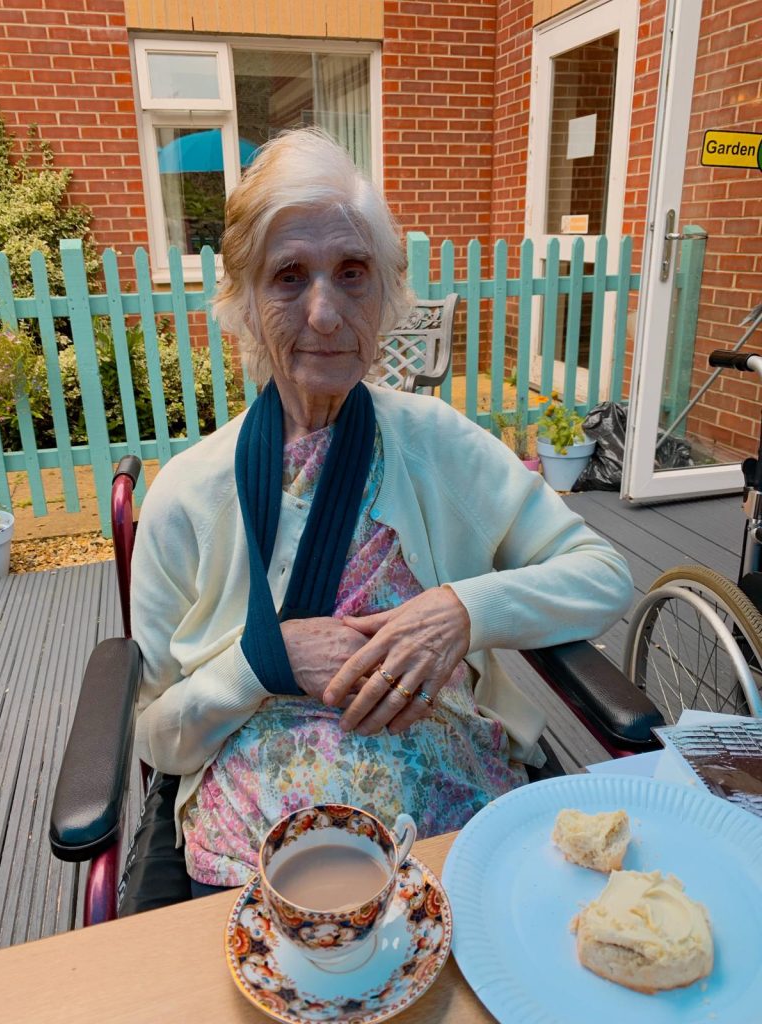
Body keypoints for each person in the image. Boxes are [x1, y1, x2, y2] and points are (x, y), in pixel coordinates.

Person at [130, 128, 634, 896]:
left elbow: (603, 577)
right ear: (243, 304)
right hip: (257, 852)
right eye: (289, 276)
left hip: (447, 821)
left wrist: (460, 611)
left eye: (353, 273)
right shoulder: (187, 495)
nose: (326, 313)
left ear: (387, 293)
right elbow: (153, 734)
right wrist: (263, 662)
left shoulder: (438, 444)